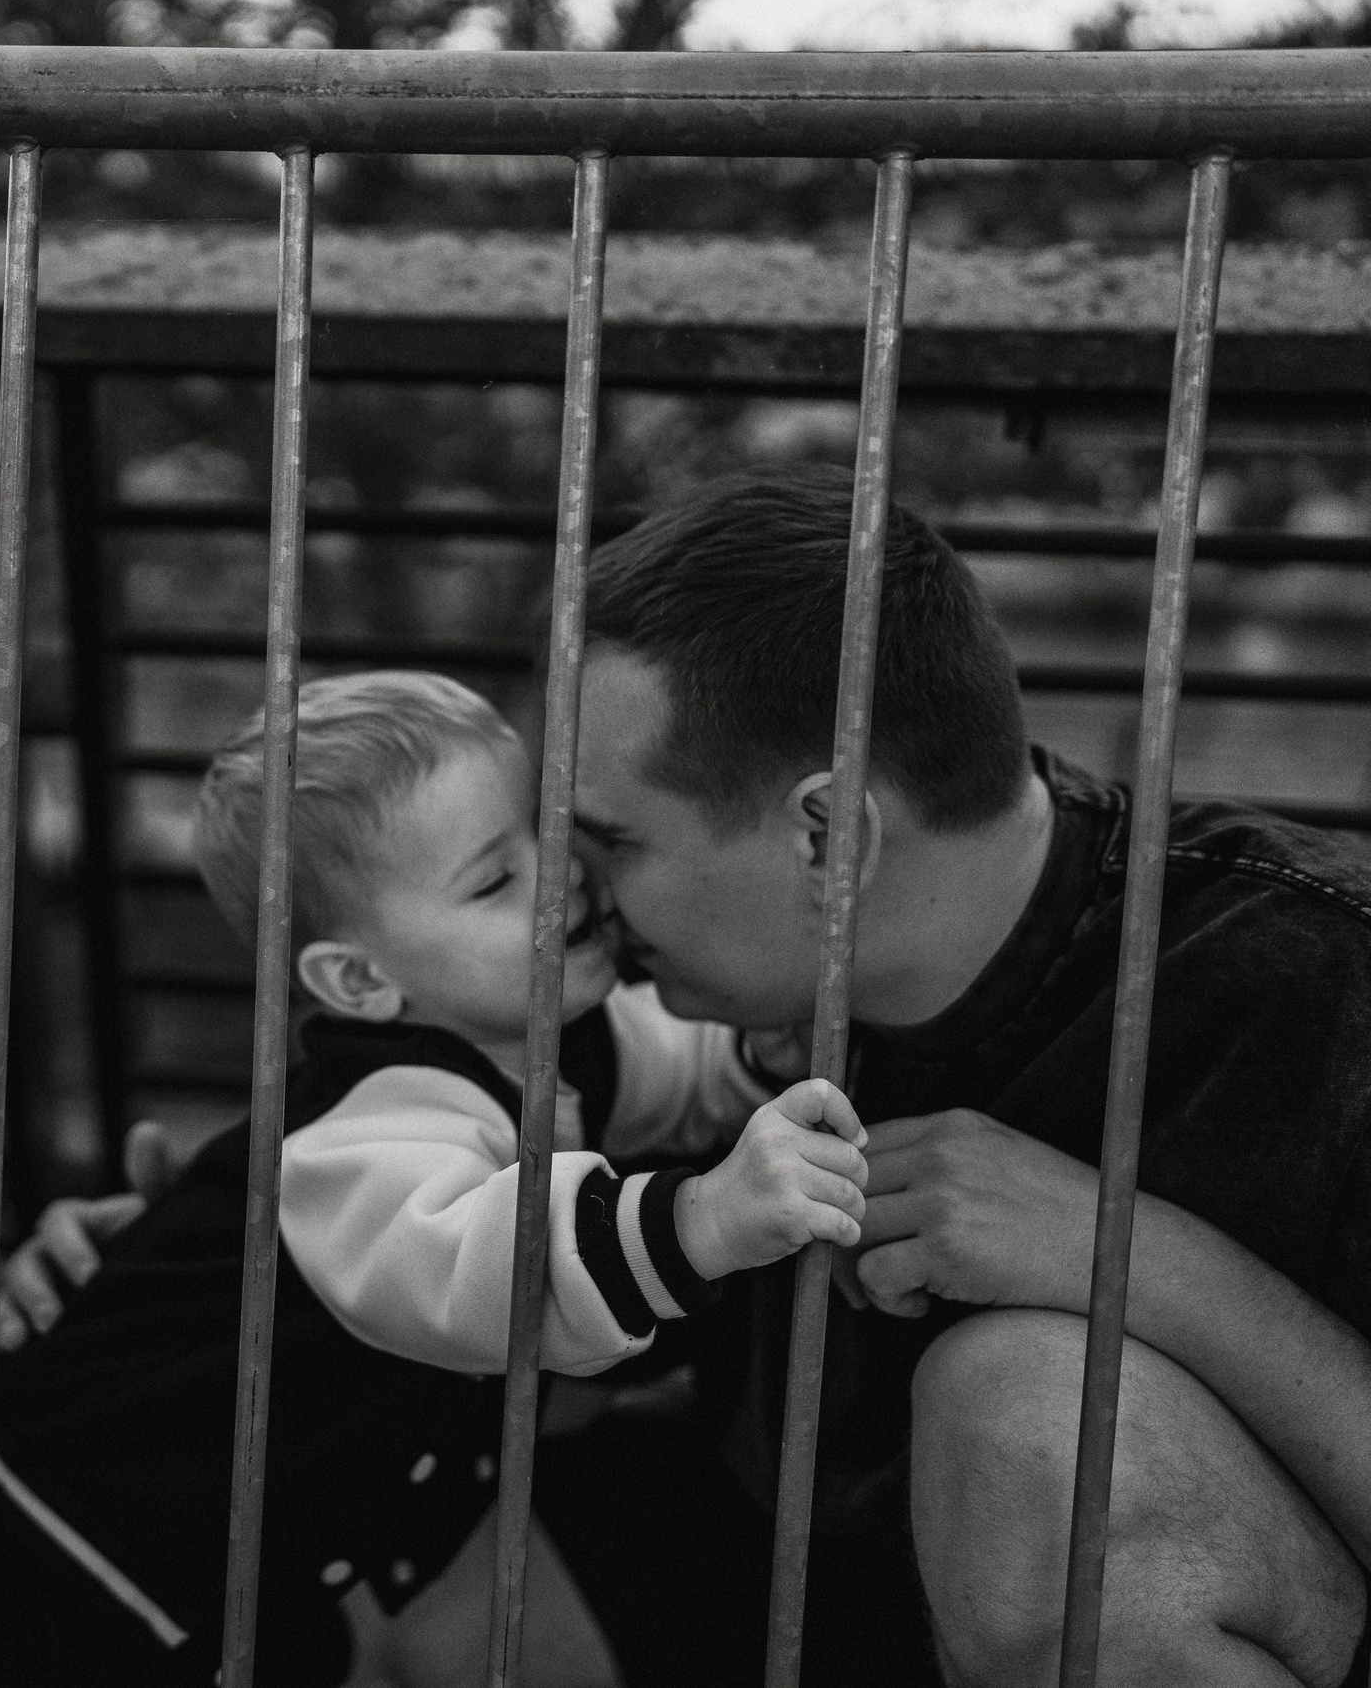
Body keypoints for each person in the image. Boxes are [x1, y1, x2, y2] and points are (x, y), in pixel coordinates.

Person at [525, 464, 1371, 1688]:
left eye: (609, 841)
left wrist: (1128, 1260)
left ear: (828, 838)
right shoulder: (721, 1022)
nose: (571, 896)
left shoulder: (1320, 981)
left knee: (1033, 1421)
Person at [0, 670, 871, 1688]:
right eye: (494, 880)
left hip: (359, 1478)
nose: (560, 874)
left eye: (545, 828)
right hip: (107, 1531)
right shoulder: (367, 1130)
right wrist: (701, 1218)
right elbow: (486, 1271)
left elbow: (678, 1075)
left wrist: (763, 1056)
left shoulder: (555, 1031)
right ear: (361, 981)